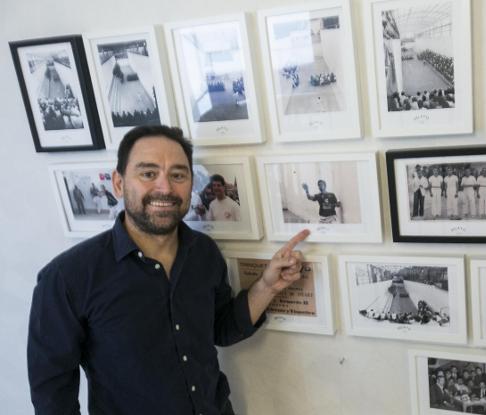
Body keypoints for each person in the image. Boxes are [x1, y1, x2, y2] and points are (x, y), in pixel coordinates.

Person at [27, 125, 310, 415]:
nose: (165, 188)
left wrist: (268, 286)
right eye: (148, 174)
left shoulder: (204, 252)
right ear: (119, 183)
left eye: (177, 175)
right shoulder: (67, 277)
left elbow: (220, 329)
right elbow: (52, 395)